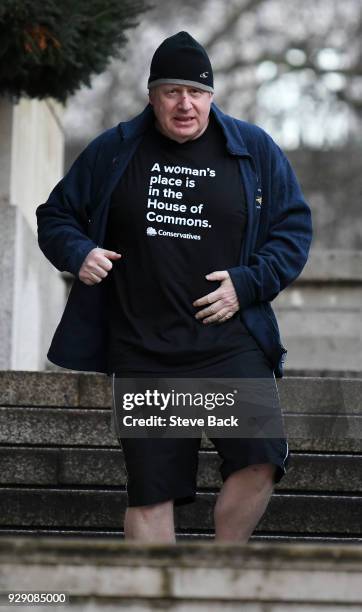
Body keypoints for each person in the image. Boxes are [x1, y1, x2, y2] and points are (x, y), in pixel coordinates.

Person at [36, 31, 313, 544]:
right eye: (171, 91)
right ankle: (158, 600)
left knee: (259, 462)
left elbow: (293, 229)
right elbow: (56, 216)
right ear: (152, 95)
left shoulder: (252, 150)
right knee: (152, 491)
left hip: (229, 342)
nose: (185, 103)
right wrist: (80, 252)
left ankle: (218, 578)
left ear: (211, 95)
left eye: (196, 91)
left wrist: (248, 284)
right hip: (145, 348)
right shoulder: (115, 149)